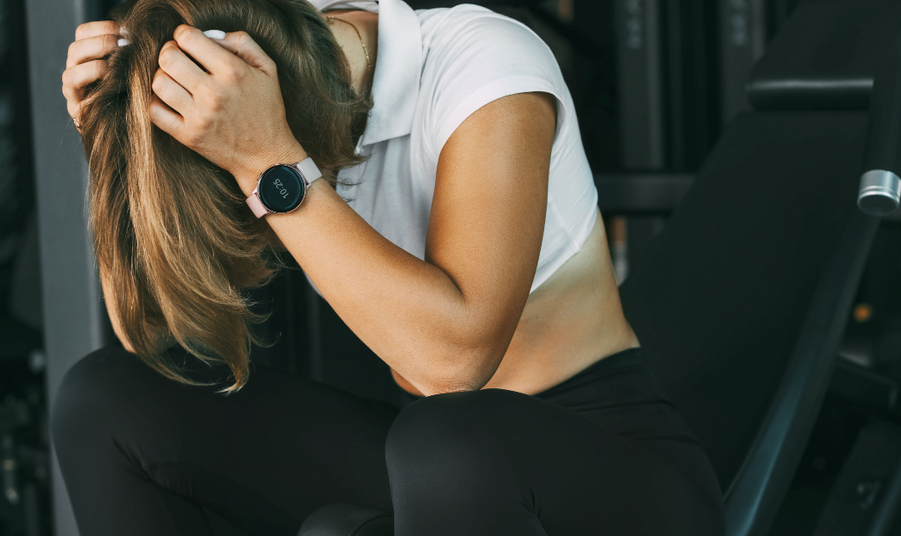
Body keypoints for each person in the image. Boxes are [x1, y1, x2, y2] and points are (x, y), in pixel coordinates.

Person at [53, 0, 726, 534]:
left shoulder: (483, 64)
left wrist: (269, 163)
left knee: (446, 440)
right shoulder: (253, 75)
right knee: (105, 399)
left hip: (608, 463)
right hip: (429, 465)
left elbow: (456, 364)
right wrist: (116, 156)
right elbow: (151, 329)